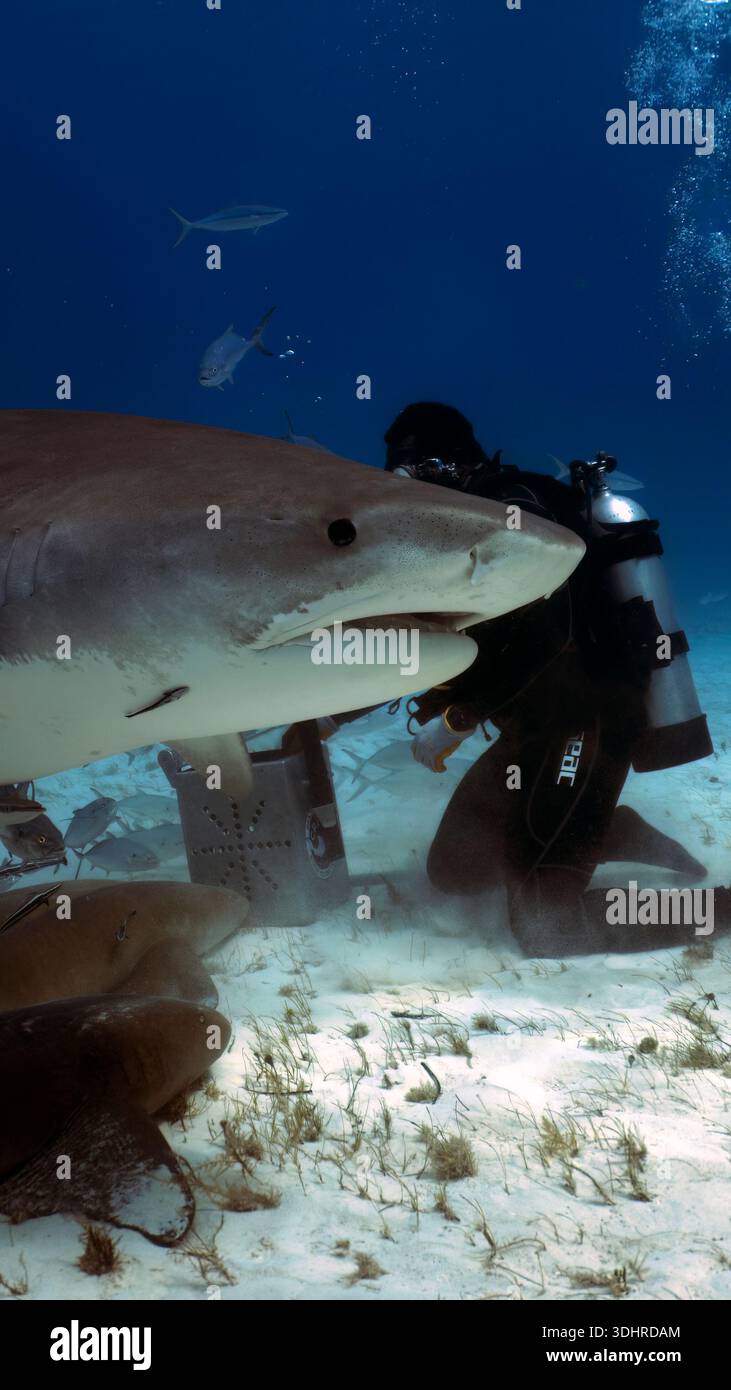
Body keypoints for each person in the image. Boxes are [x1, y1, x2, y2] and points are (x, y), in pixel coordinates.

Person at [371, 400, 726, 956]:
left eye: (406, 474)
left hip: (588, 722)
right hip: (531, 728)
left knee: (545, 924)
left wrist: (461, 718)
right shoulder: (462, 527)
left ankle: (716, 906)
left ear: (443, 465)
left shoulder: (513, 514)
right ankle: (606, 828)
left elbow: (548, 629)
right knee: (455, 871)